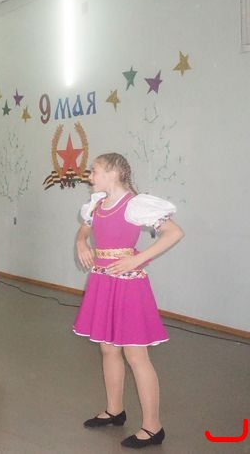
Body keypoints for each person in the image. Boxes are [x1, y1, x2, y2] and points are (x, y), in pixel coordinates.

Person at [74, 153, 184, 449]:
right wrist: (82, 241)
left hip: (127, 285)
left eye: (94, 171)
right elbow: (85, 228)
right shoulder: (97, 203)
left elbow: (174, 233)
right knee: (108, 349)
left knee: (136, 356)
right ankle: (115, 410)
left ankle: (153, 427)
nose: (90, 176)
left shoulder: (134, 204)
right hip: (102, 281)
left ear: (113, 173)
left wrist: (138, 258)